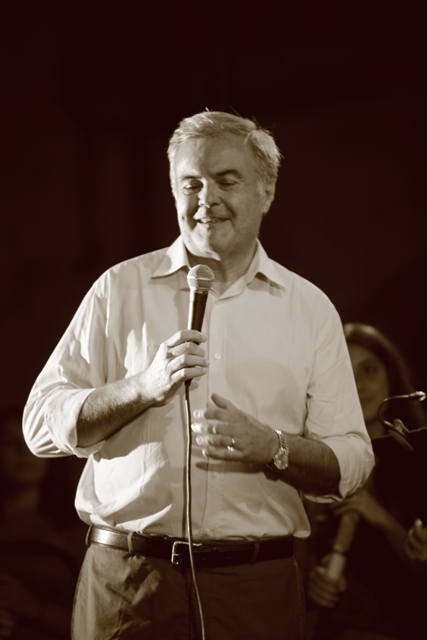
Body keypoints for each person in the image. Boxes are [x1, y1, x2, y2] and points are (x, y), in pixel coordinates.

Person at [23, 110, 374, 640]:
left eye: (226, 181)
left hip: (255, 585)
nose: (206, 198)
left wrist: (275, 447)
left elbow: (352, 458)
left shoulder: (309, 309)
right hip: (129, 582)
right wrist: (141, 387)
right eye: (191, 183)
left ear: (266, 192)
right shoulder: (119, 289)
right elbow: (39, 426)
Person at [305, 322, 427, 640]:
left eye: (369, 370)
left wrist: (378, 515)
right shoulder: (317, 461)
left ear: (391, 376)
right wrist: (314, 581)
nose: (358, 384)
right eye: (347, 372)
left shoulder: (417, 458)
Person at [0, 404, 83, 639]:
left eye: (31, 440)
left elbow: (100, 623)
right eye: (10, 442)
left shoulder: (74, 528)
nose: (24, 452)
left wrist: (31, 606)